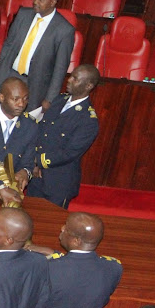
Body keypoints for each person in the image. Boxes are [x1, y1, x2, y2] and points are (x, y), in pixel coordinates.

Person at [28, 64, 100, 209]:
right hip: (36, 177)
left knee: (50, 224)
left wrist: (38, 161)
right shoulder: (59, 100)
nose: (69, 80)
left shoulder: (88, 119)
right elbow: (41, 131)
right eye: (71, 76)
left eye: (75, 79)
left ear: (88, 86)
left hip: (58, 181)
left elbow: (69, 153)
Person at [0, 0, 75, 113]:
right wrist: (0, 69)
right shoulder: (23, 14)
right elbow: (9, 43)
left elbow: (60, 69)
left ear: (52, 2)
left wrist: (50, 98)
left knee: (23, 125)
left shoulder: (64, 30)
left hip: (34, 85)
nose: (35, 2)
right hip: (8, 75)